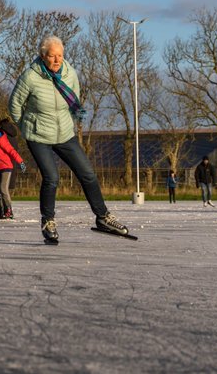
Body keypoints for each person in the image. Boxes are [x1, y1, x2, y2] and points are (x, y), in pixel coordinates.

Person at [8, 35, 129, 244]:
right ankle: (48, 222)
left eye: (60, 56)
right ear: (43, 56)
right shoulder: (30, 76)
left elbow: (74, 101)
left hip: (64, 133)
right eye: (52, 56)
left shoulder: (70, 73)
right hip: (38, 135)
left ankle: (103, 217)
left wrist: (70, 124)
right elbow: (14, 105)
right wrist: (26, 127)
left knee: (88, 173)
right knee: (52, 177)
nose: (57, 60)